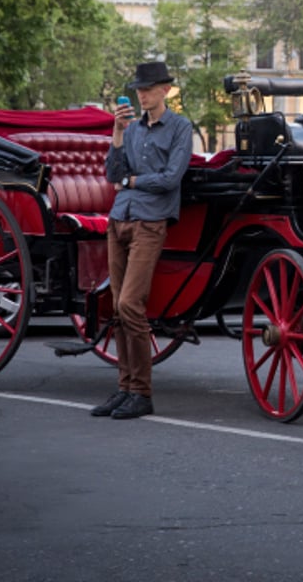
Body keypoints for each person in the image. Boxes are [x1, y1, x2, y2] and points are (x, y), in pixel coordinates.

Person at [91, 61, 193, 420]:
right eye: (138, 89)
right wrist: (118, 133)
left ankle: (142, 393)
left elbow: (170, 178)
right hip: (119, 220)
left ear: (165, 90)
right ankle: (125, 388)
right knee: (118, 308)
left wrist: (132, 183)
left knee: (131, 305)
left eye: (148, 88)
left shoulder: (180, 127)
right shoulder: (132, 130)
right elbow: (112, 174)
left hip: (150, 221)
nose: (141, 94)